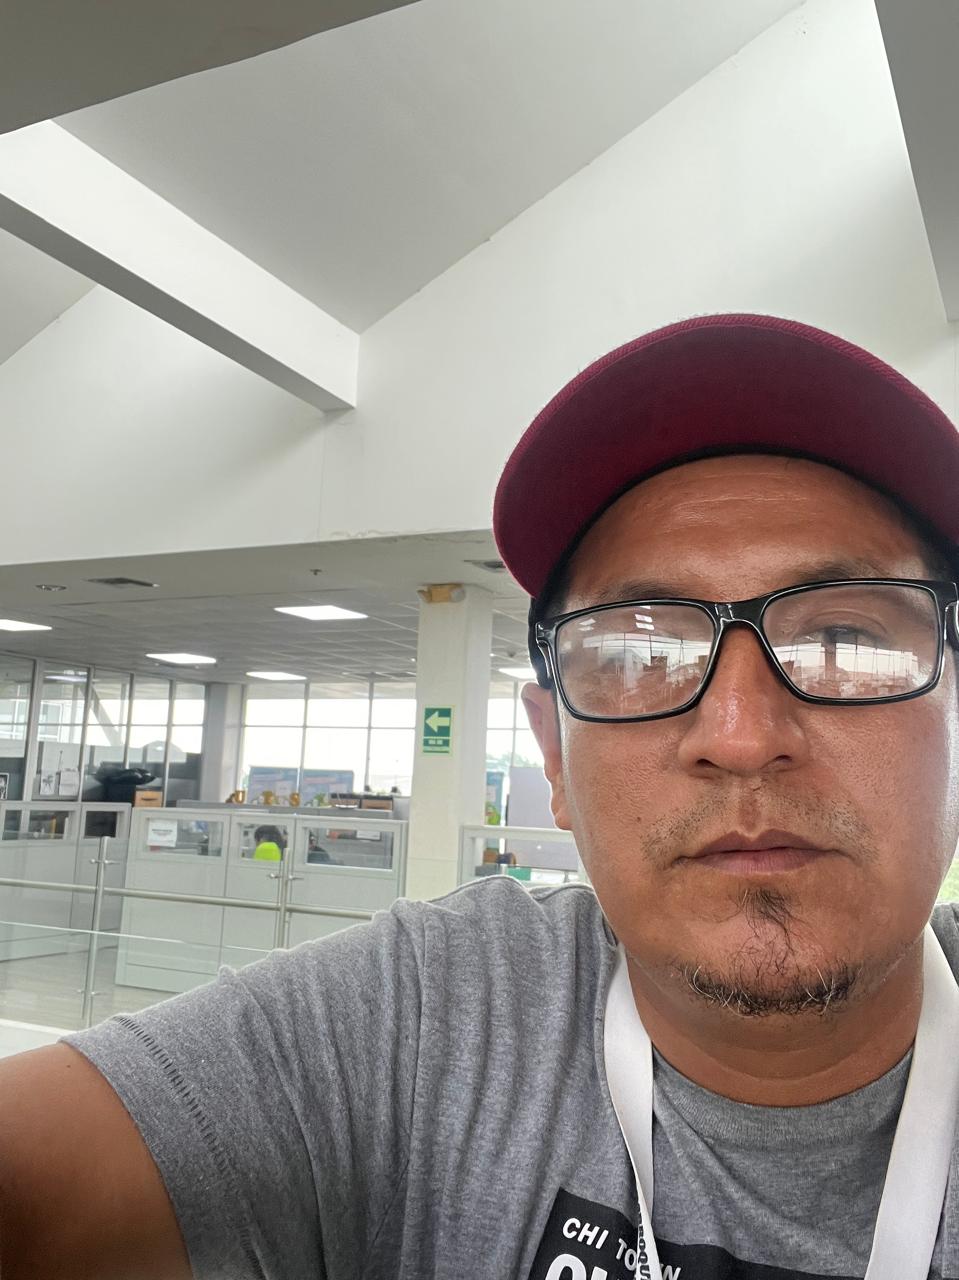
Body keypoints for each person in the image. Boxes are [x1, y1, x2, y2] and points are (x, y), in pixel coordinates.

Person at [3, 314, 959, 1280]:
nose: (741, 736)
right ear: (553, 758)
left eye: (844, 640)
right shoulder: (432, 1021)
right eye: (639, 654)